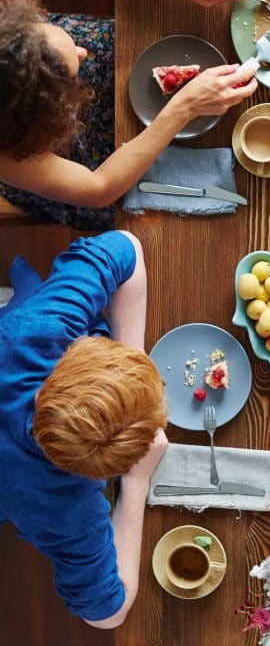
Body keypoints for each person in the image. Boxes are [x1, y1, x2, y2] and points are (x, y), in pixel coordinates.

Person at [0, 0, 259, 227]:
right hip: (86, 158)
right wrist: (183, 109)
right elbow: (98, 188)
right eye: (67, 74)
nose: (83, 52)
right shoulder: (8, 151)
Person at [0, 229, 169, 626]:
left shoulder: (42, 327)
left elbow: (126, 245)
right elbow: (107, 615)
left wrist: (126, 369)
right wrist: (137, 484)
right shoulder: (65, 508)